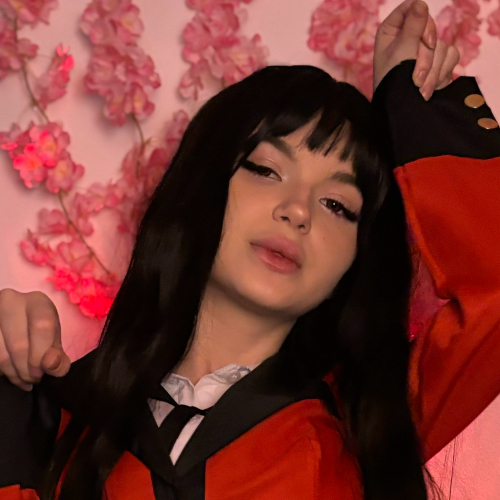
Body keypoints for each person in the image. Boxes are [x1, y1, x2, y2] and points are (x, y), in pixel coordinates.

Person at [1, 1, 500, 499]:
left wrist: (414, 106)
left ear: (357, 256)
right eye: (265, 170)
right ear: (204, 184)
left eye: (336, 204)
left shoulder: (373, 417)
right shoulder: (63, 413)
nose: (298, 211)